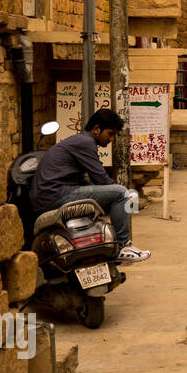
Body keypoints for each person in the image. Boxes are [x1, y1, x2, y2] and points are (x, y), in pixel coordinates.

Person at [30, 108, 151, 264]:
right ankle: (122, 246)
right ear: (96, 129)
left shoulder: (80, 141)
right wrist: (123, 196)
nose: (112, 139)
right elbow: (100, 178)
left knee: (119, 195)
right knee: (122, 194)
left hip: (54, 194)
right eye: (110, 134)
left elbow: (83, 182)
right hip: (54, 195)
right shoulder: (85, 142)